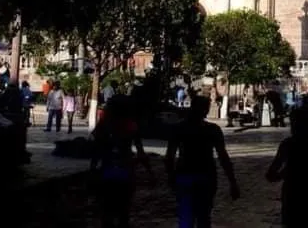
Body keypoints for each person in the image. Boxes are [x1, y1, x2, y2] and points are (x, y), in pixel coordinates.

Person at [165, 95, 240, 227]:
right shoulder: (213, 130)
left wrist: (171, 177)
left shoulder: (179, 128)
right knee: (203, 217)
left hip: (185, 175)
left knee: (186, 216)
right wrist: (232, 181)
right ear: (206, 110)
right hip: (206, 176)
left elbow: (169, 156)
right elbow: (223, 157)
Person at [91, 94, 152, 228]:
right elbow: (141, 152)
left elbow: (96, 150)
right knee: (124, 211)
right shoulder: (131, 125)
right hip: (125, 170)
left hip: (107, 170)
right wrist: (150, 172)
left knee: (107, 210)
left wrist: (92, 171)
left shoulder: (104, 124)